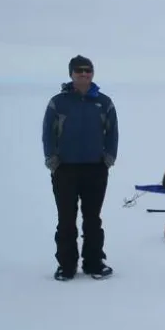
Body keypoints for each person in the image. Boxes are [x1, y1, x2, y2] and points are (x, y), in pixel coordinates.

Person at [42, 55, 118, 280]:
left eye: (88, 71)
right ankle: (66, 265)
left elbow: (112, 132)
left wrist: (108, 157)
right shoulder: (59, 102)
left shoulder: (104, 102)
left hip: (95, 168)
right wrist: (51, 158)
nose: (84, 74)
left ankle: (94, 262)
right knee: (66, 218)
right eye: (79, 71)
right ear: (71, 74)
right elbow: (48, 132)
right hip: (65, 169)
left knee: (92, 218)